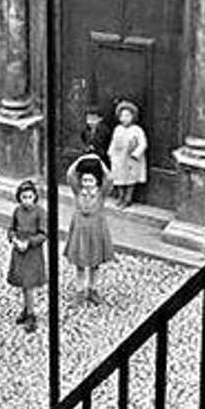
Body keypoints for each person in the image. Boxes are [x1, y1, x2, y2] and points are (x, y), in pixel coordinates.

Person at [64, 154, 114, 305]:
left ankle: (92, 289)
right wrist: (81, 159)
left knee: (94, 263)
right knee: (80, 263)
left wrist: (99, 161)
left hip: (96, 231)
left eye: (90, 180)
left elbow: (109, 178)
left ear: (96, 181)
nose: (87, 183)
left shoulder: (101, 193)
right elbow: (70, 174)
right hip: (80, 232)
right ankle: (80, 292)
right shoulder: (78, 191)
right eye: (84, 180)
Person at [6, 180, 46, 333]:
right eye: (24, 197)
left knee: (29, 285)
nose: (27, 200)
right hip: (19, 251)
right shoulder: (17, 211)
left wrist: (29, 243)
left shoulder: (40, 212)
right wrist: (14, 239)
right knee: (23, 284)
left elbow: (43, 234)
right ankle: (26, 308)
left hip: (32, 253)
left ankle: (31, 315)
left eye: (30, 197)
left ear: (35, 197)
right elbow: (11, 228)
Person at [107, 100, 148, 208]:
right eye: (122, 116)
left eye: (127, 116)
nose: (124, 118)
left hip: (131, 159)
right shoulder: (118, 129)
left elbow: (143, 144)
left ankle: (128, 198)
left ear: (133, 117)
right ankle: (121, 196)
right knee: (119, 178)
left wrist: (136, 154)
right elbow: (113, 141)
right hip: (119, 158)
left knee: (130, 178)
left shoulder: (137, 130)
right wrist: (111, 153)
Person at [80, 105, 111, 169]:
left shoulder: (105, 131)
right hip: (89, 157)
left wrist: (95, 147)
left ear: (100, 119)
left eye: (93, 119)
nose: (90, 122)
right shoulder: (85, 131)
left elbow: (106, 145)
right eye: (88, 119)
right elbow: (84, 141)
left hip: (102, 158)